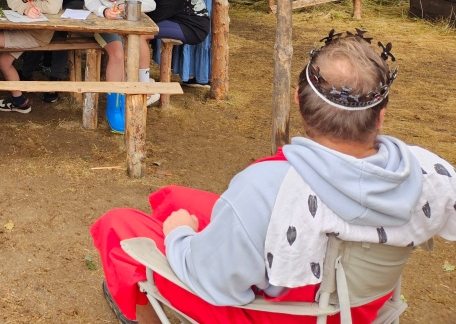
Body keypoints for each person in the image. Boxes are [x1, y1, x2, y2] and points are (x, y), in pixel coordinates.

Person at [90, 31, 456, 324]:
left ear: (298, 101)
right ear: (381, 115)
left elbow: (214, 281)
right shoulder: (430, 171)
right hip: (359, 307)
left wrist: (179, 237)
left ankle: (142, 311)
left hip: (282, 314)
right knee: (176, 197)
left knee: (119, 224)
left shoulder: (268, 185)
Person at [81, 0, 157, 133]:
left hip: (119, 22)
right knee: (117, 54)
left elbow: (151, 4)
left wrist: (128, 4)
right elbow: (90, 1)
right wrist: (104, 11)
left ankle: (130, 95)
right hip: (98, 20)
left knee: (136, 43)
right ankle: (114, 108)